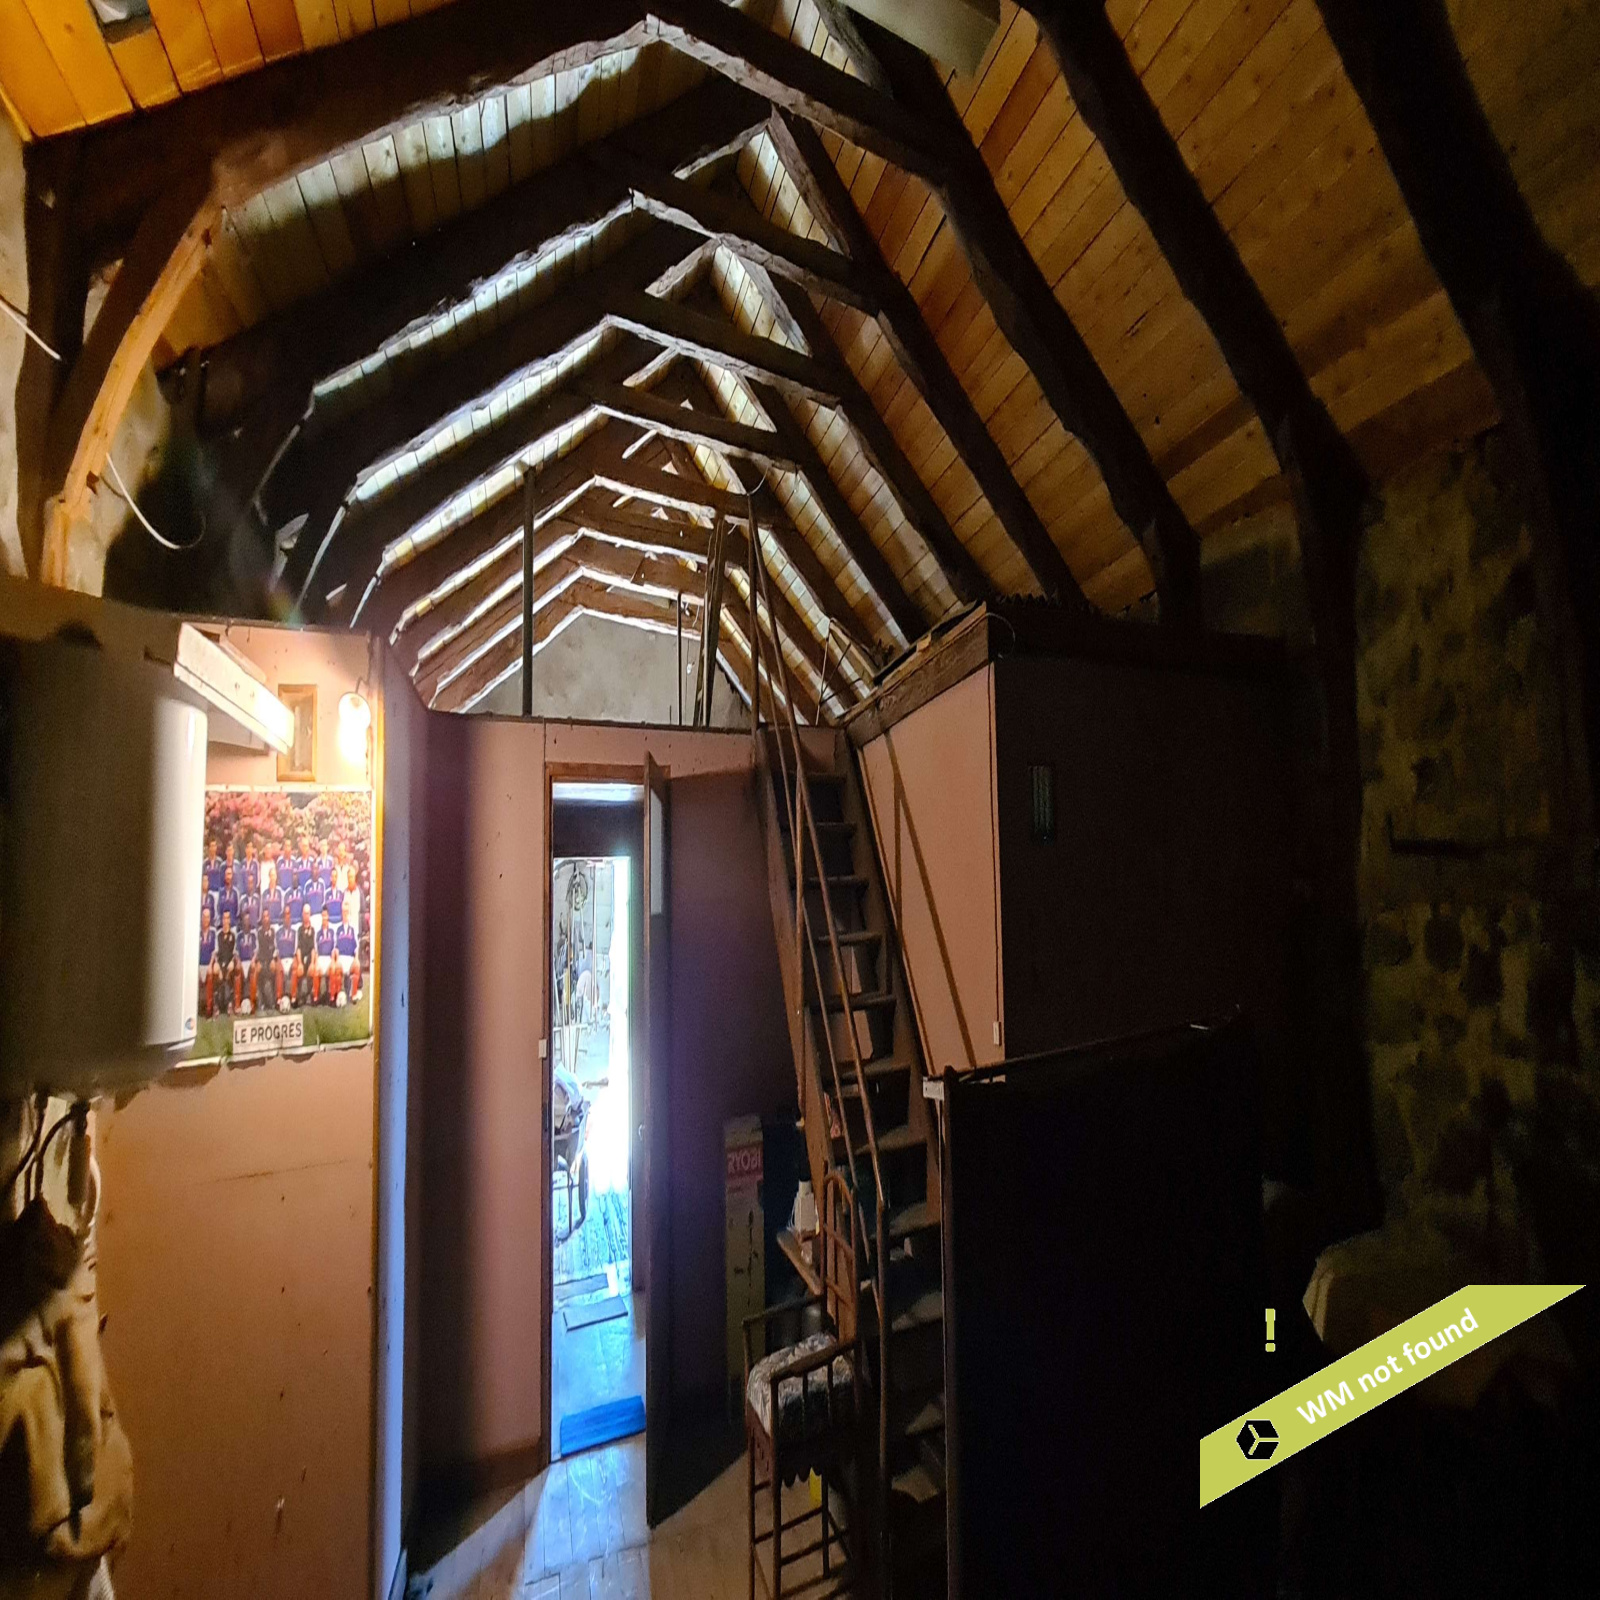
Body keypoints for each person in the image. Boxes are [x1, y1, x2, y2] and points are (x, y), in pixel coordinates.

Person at [214, 910, 239, 1019]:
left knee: (232, 969)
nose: (225, 920)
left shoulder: (233, 935)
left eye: (227, 918)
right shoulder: (218, 935)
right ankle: (216, 1006)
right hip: (220, 963)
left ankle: (230, 1005)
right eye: (224, 918)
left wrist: (232, 962)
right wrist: (217, 965)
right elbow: (215, 953)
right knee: (215, 970)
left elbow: (235, 953)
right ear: (222, 920)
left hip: (229, 962)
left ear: (230, 920)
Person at [235, 911, 259, 1015]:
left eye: (248, 920)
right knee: (237, 973)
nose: (246, 922)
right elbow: (236, 952)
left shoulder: (253, 935)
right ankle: (237, 1005)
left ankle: (252, 1004)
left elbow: (256, 951)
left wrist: (253, 960)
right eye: (245, 920)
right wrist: (238, 962)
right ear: (242, 922)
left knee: (253, 971)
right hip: (242, 961)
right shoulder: (238, 936)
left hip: (250, 961)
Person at [273, 911, 297, 1011]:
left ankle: (293, 998)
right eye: (285, 917)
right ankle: (279, 999)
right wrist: (278, 960)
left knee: (295, 969)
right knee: (278, 969)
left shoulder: (294, 933)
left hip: (291, 958)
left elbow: (296, 950)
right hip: (281, 959)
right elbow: (276, 950)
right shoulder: (278, 933)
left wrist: (295, 961)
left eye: (288, 917)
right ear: (283, 919)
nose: (287, 919)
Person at [335, 915, 361, 1005]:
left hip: (350, 958)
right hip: (341, 957)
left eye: (346, 913)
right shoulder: (338, 930)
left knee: (357, 966)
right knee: (337, 967)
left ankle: (353, 995)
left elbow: (356, 947)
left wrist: (356, 959)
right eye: (343, 913)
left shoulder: (353, 930)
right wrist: (337, 959)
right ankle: (339, 994)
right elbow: (335, 947)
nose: (345, 915)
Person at [294, 906, 317, 1008]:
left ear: (310, 914)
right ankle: (298, 995)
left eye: (308, 913)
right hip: (301, 956)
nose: (306, 916)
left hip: (310, 956)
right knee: (298, 969)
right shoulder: (299, 930)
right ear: (302, 914)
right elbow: (298, 948)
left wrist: (312, 963)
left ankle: (310, 994)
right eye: (304, 913)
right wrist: (299, 963)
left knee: (312, 969)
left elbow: (313, 948)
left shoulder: (313, 930)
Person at [198, 904, 216, 1019]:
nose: (206, 919)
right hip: (199, 965)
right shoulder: (197, 932)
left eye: (208, 917)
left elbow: (214, 952)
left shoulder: (213, 932)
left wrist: (210, 965)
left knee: (210, 973)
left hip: (208, 965)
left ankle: (209, 1009)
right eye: (204, 917)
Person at [216, 866, 240, 931]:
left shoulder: (236, 892)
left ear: (232, 876)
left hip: (233, 926)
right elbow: (218, 909)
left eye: (229, 874)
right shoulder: (220, 892)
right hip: (222, 927)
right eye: (226, 874)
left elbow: (238, 911)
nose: (228, 877)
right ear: (224, 876)